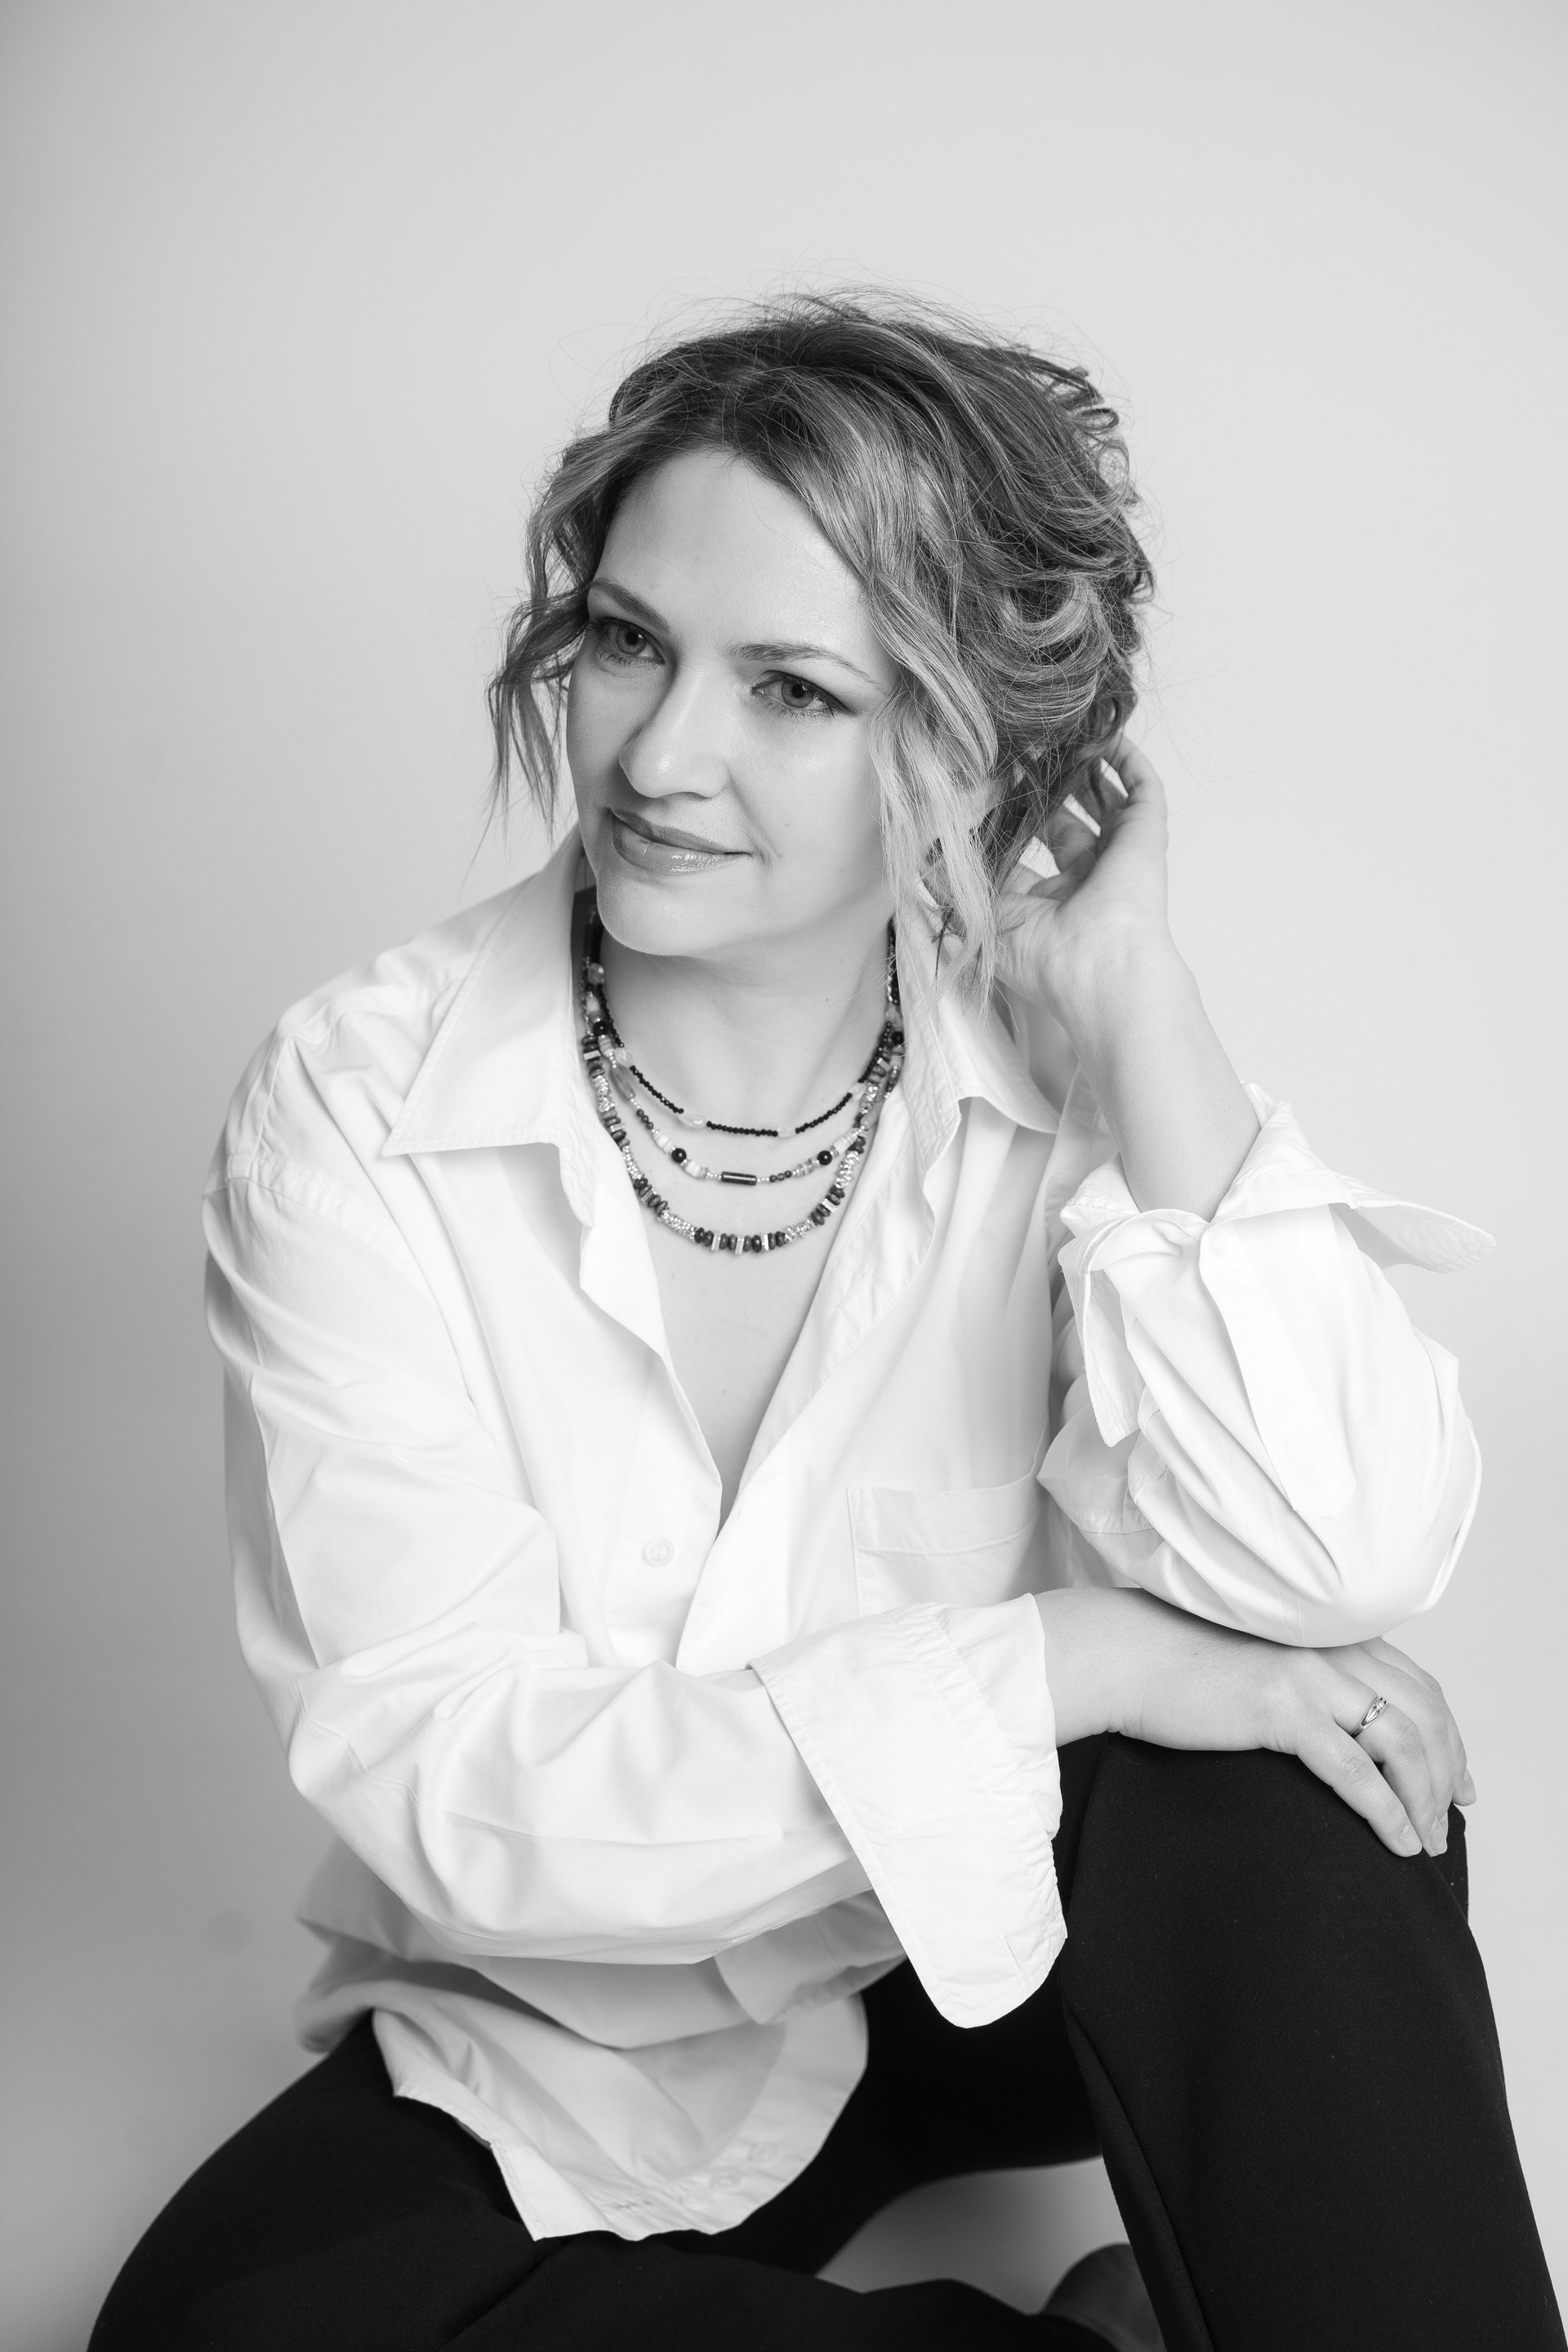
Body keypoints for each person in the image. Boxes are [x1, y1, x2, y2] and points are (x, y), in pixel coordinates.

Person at [91, 295, 1562, 2351]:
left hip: (1024, 1951)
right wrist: (1083, 1658)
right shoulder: (359, 1107)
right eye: (629, 642)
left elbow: (1343, 1558)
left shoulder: (1056, 1070)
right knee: (223, 2329)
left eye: (791, 688)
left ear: (965, 741)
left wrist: (1141, 1005)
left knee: (1283, 1773)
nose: (660, 756)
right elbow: (445, 1772)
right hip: (591, 2018)